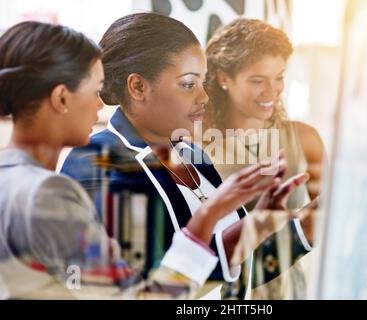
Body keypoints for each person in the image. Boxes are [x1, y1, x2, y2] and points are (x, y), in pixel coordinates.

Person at [0, 21, 281, 299]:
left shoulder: (12, 178)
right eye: (95, 91)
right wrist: (208, 216)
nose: (100, 105)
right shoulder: (55, 188)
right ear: (62, 98)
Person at [61, 12, 314, 299]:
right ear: (138, 87)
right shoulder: (97, 163)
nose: (204, 97)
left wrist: (303, 225)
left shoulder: (192, 155)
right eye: (188, 84)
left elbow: (238, 275)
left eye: (202, 83)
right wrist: (215, 215)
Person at [203, 18, 326, 298]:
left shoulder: (305, 140)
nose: (272, 91)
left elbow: (331, 220)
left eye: (279, 77)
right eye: (258, 80)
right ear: (224, 79)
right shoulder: (196, 146)